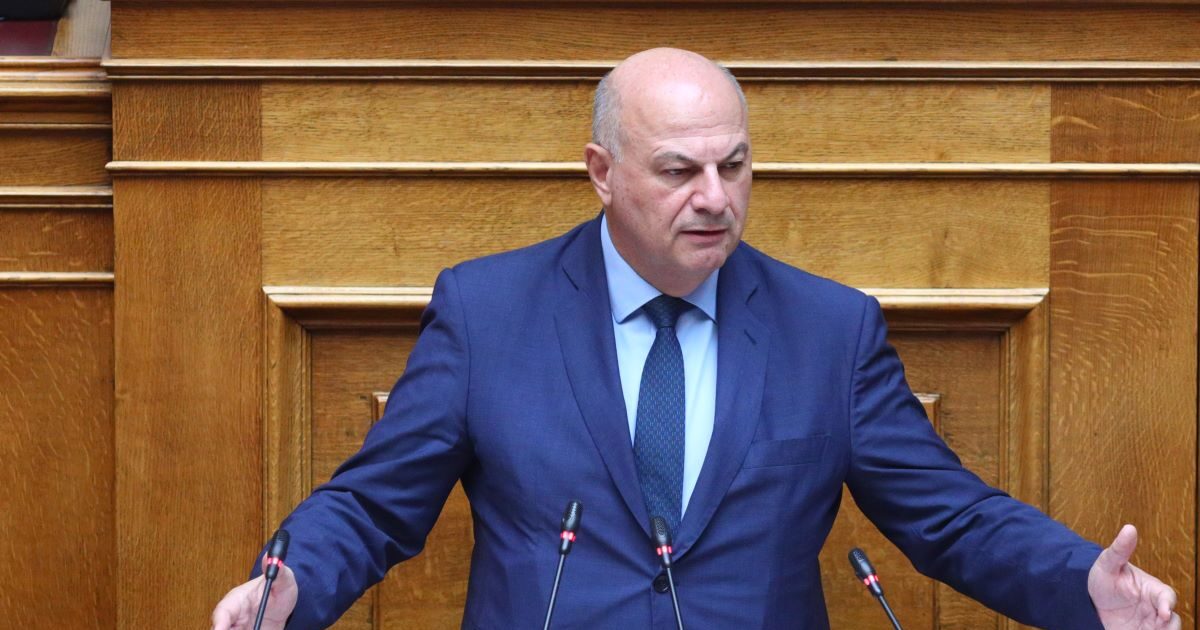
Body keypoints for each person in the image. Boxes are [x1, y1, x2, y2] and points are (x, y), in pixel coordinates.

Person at [213, 48, 1178, 630]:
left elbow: (951, 518)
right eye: (679, 170)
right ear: (602, 171)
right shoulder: (488, 311)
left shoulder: (829, 330)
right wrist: (287, 585)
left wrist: (1082, 586)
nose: (715, 198)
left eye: (734, 165)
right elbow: (375, 506)